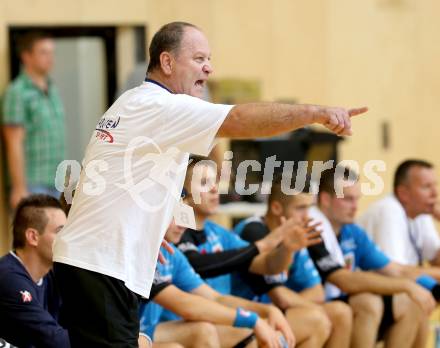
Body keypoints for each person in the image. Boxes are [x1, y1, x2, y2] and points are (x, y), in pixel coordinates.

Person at [52, 21, 367, 346]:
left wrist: (145, 227)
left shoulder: (133, 104)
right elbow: (240, 120)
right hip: (101, 265)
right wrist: (315, 113)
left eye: (210, 59)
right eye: (199, 58)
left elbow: (93, 186)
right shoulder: (161, 105)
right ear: (167, 62)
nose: (210, 68)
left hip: (94, 261)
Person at [176, 158, 328, 347]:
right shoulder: (174, 235)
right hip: (189, 326)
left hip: (221, 318)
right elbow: (197, 263)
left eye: (215, 182)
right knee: (256, 332)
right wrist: (264, 244)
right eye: (204, 183)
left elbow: (266, 265)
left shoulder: (220, 233)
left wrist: (287, 248)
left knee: (315, 320)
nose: (215, 189)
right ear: (181, 193)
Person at [311, 168, 437, 348]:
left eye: (357, 199)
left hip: (338, 304)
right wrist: (407, 286)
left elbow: (397, 270)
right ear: (325, 199)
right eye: (347, 199)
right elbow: (343, 280)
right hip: (309, 306)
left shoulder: (352, 232)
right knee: (368, 303)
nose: (355, 206)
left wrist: (427, 287)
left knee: (413, 301)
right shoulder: (312, 229)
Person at [234, 175, 352, 348]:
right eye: (300, 208)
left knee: (341, 312)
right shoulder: (253, 232)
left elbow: (317, 292)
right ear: (276, 208)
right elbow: (281, 297)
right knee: (318, 320)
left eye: (309, 208)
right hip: (247, 315)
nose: (307, 216)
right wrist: (312, 309)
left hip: (274, 313)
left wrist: (304, 304)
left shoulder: (295, 231)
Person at [140, 220, 293, 348]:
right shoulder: (138, 251)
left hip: (146, 331)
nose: (183, 224)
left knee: (254, 334)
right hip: (129, 335)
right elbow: (186, 305)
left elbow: (215, 298)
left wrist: (267, 311)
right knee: (197, 334)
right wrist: (253, 319)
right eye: (173, 214)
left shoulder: (172, 253)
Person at [2, 32, 65, 208]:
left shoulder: (52, 89)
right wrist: (19, 187)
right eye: (43, 52)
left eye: (52, 52)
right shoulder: (17, 92)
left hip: (56, 181)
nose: (50, 58)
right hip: (32, 184)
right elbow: (13, 142)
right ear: (26, 56)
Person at [0, 194, 69, 347]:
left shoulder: (51, 275)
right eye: (60, 231)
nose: (67, 238)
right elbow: (56, 341)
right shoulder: (8, 278)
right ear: (33, 237)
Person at [358, 160, 440, 272]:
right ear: (403, 193)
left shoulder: (421, 212)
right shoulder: (389, 210)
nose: (435, 193)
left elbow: (436, 260)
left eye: (435, 185)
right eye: (426, 187)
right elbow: (396, 274)